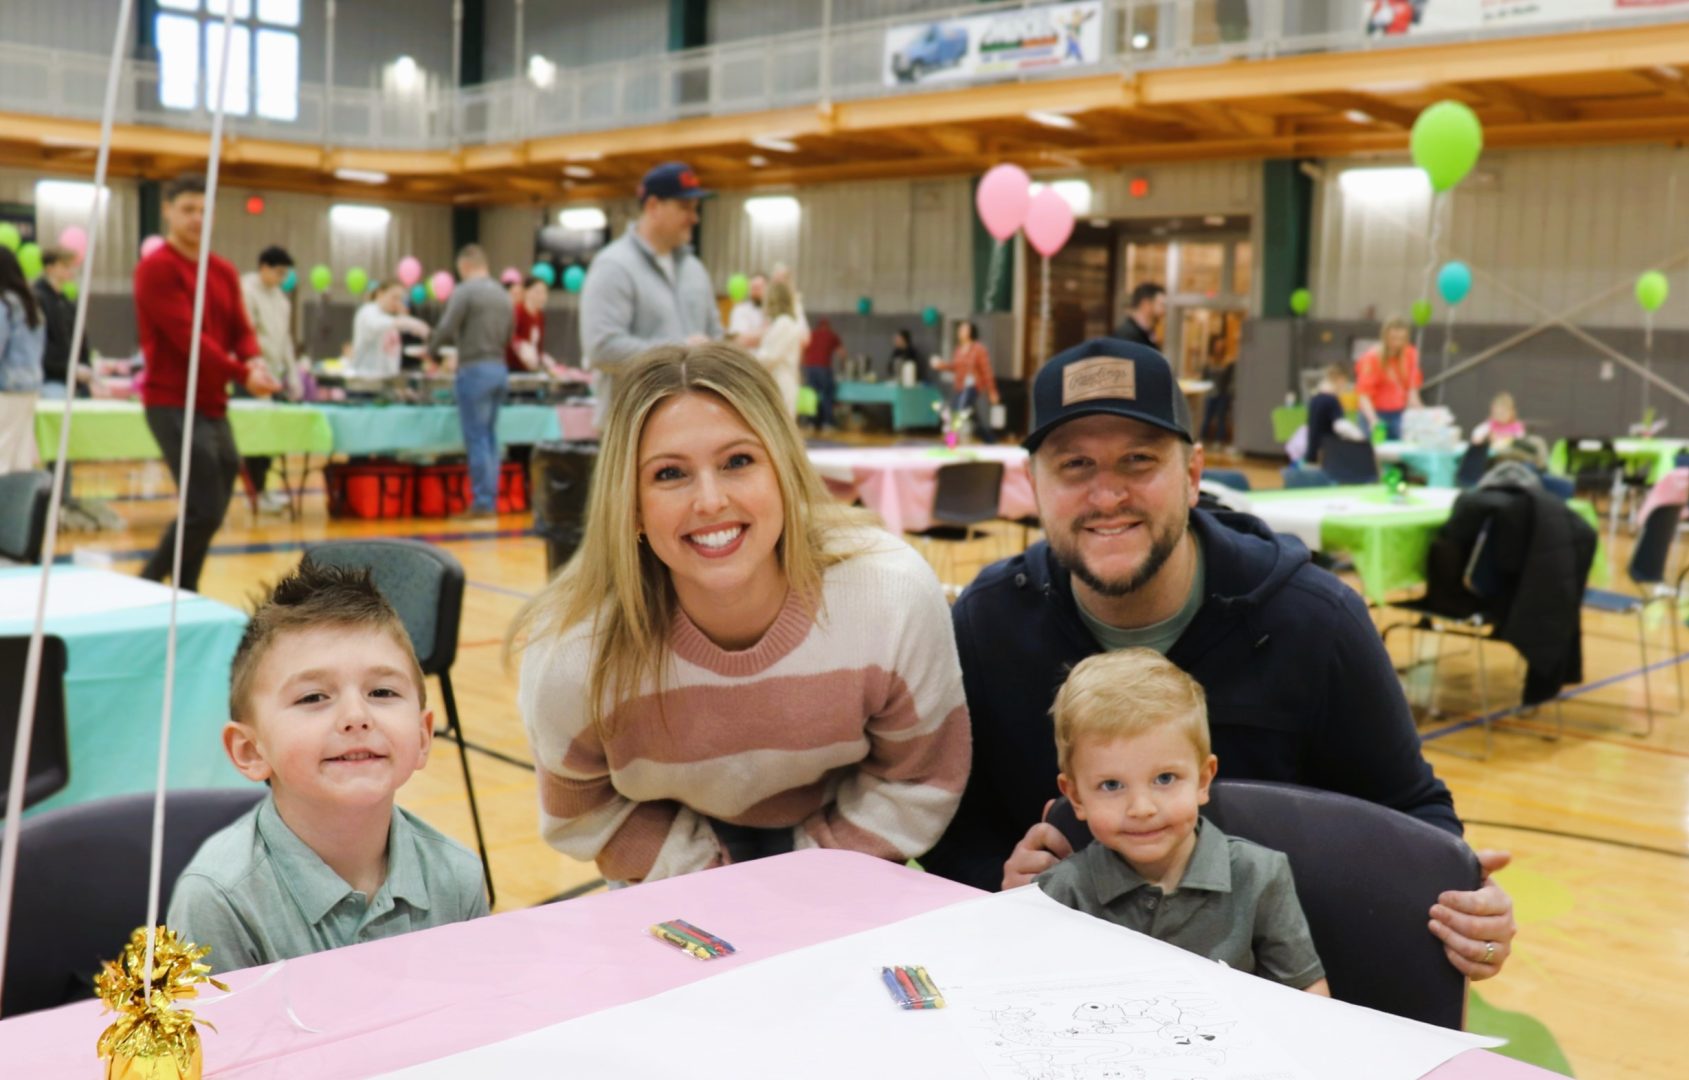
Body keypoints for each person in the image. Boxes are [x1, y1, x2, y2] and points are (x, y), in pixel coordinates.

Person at [922, 337, 1517, 983]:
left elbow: (1412, 811)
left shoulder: (1315, 622)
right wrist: (995, 881)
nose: (1106, 495)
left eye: (1139, 461)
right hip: (1065, 992)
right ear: (1033, 483)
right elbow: (955, 828)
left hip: (1277, 1001)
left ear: (1193, 474)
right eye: (1075, 466)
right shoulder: (988, 624)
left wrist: (1468, 909)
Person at [512, 344, 969, 884]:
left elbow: (918, 778)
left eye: (737, 462)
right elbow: (583, 809)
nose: (710, 501)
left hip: (847, 862)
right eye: (669, 474)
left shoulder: (890, 595)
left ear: (784, 470)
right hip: (671, 873)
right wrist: (714, 884)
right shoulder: (571, 648)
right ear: (630, 504)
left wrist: (804, 875)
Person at [167, 562, 488, 970]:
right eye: (314, 697)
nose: (356, 715)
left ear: (423, 737)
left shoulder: (457, 878)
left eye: (382, 691)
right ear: (250, 750)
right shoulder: (218, 901)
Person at [1037, 649, 1329, 995]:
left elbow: (1309, 997)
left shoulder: (1260, 874)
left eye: (1164, 778)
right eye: (1112, 785)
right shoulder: (1058, 893)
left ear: (1203, 780)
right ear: (1076, 797)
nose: (1142, 808)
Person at [135, 174, 280, 592]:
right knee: (203, 506)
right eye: (187, 210)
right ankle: (150, 585)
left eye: (204, 210)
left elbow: (240, 328)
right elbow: (188, 339)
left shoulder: (222, 270)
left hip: (213, 403)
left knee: (212, 505)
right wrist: (242, 373)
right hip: (171, 402)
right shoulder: (156, 269)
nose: (197, 218)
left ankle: (183, 589)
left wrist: (254, 360)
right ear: (167, 211)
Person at [578, 162, 722, 423]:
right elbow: (602, 347)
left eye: (695, 208)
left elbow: (715, 336)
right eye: (684, 207)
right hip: (633, 428)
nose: (694, 218)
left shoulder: (695, 269)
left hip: (693, 424)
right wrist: (680, 352)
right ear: (653, 206)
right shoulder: (614, 265)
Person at [426, 244, 513, 519]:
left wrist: (431, 350)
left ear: (464, 267)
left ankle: (483, 503)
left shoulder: (465, 291)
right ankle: (490, 500)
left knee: (476, 438)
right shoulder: (503, 293)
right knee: (490, 438)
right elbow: (510, 333)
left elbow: (447, 327)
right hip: (499, 368)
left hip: (474, 370)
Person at [240, 245, 298, 511]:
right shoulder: (245, 290)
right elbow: (246, 334)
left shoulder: (282, 300)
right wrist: (256, 369)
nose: (282, 278)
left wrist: (293, 376)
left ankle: (264, 492)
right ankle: (257, 493)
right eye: (278, 272)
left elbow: (285, 341)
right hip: (250, 376)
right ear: (263, 267)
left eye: (285, 273)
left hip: (273, 377)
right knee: (253, 437)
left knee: (270, 437)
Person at [0, 245, 45, 473]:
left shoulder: (4, 304)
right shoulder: (30, 304)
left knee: (2, 457)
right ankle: (18, 508)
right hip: (30, 388)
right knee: (20, 458)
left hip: (6, 389)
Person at [1355, 317, 1423, 440]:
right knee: (1375, 454)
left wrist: (1423, 416)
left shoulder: (1411, 354)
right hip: (1374, 412)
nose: (1397, 343)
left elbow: (1412, 391)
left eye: (1402, 339)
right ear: (1385, 337)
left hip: (1399, 414)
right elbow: (1364, 395)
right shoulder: (1371, 358)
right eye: (1393, 339)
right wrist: (1373, 420)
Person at [34, 247, 88, 401]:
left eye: (71, 266)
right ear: (50, 268)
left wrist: (84, 365)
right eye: (65, 266)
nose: (70, 270)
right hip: (49, 378)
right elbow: (41, 343)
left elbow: (79, 338)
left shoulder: (66, 302)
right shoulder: (37, 299)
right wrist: (68, 368)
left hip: (71, 378)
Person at [932, 319, 998, 444]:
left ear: (970, 332)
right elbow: (956, 367)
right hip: (960, 387)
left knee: (957, 413)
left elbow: (986, 370)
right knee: (972, 417)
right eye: (960, 329)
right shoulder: (958, 349)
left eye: (964, 329)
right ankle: (990, 440)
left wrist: (992, 391)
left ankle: (950, 442)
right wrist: (942, 366)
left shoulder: (979, 349)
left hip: (972, 387)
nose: (960, 331)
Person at [350, 281, 431, 378]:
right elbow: (377, 324)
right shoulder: (368, 311)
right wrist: (409, 322)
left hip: (386, 379)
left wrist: (405, 318)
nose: (397, 302)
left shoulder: (391, 317)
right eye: (394, 297)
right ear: (380, 293)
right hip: (365, 378)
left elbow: (409, 334)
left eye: (400, 299)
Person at [754, 278, 807, 417]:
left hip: (782, 385)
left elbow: (770, 357)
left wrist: (745, 360)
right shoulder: (779, 323)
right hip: (777, 384)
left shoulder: (784, 323)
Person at [1303, 364, 1364, 468]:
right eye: (1345, 383)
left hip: (1312, 453)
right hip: (1325, 456)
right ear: (1340, 379)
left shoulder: (1315, 399)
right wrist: (1360, 437)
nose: (1344, 388)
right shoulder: (1332, 400)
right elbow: (1340, 425)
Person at [802, 317, 845, 431]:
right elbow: (842, 353)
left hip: (810, 368)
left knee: (812, 396)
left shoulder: (811, 334)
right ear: (828, 326)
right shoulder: (832, 335)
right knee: (827, 395)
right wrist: (843, 366)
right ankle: (827, 423)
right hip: (823, 368)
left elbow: (803, 352)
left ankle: (811, 423)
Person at [506, 275, 551, 373]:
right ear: (526, 291)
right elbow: (508, 335)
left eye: (544, 292)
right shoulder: (517, 311)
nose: (541, 296)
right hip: (512, 367)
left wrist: (542, 358)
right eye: (537, 292)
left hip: (530, 369)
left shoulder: (540, 316)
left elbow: (538, 344)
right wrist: (520, 346)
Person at [1197, 335, 1234, 446]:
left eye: (1221, 345)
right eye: (1217, 345)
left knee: (1221, 417)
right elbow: (1204, 377)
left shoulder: (1227, 362)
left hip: (1222, 394)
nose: (1219, 347)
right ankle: (1202, 439)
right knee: (1207, 416)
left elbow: (1229, 378)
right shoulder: (1209, 361)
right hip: (1210, 393)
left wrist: (1228, 393)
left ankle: (1219, 441)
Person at [1112, 282, 1166, 349]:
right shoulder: (1127, 337)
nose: (1164, 311)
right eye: (1162, 305)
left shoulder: (1147, 334)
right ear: (1146, 305)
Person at [728, 273, 767, 349]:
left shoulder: (772, 312)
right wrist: (767, 331)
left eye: (758, 288)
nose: (755, 292)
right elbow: (740, 340)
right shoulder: (740, 310)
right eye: (753, 288)